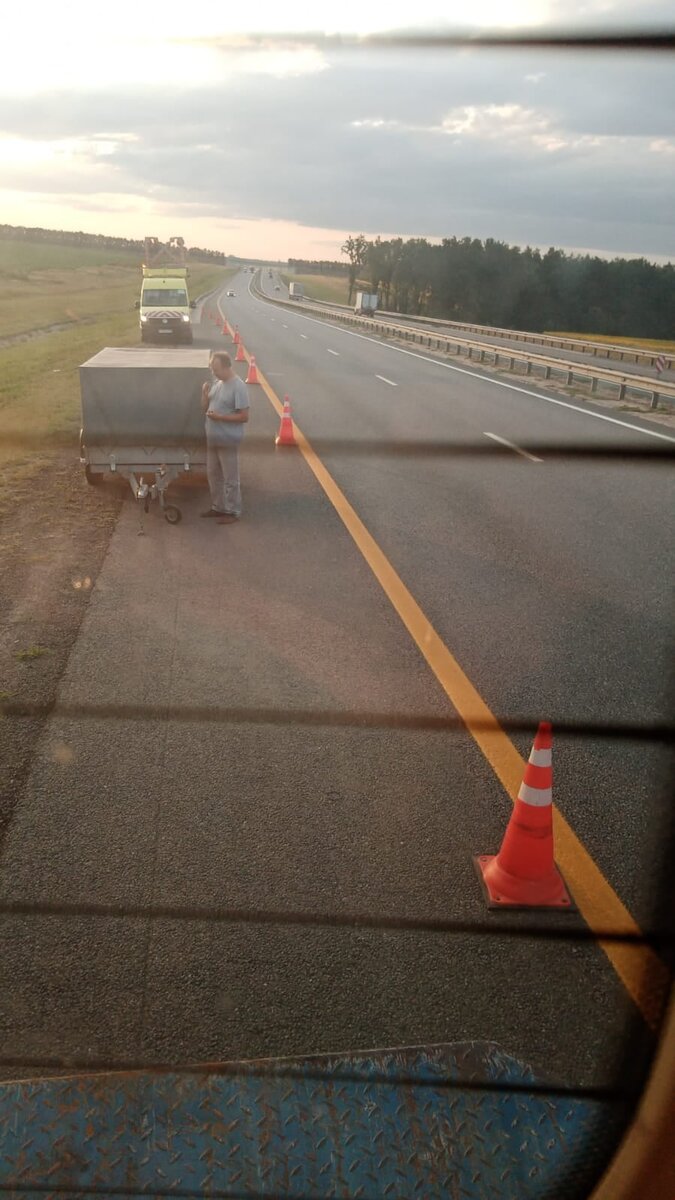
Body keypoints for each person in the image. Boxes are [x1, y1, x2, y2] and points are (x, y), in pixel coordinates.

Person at [200, 351, 249, 524]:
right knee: (213, 474)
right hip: (213, 438)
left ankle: (232, 511)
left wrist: (220, 417)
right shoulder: (217, 383)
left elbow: (244, 416)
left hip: (228, 439)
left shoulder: (238, 386)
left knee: (230, 477)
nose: (214, 373)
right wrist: (205, 394)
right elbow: (206, 408)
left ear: (227, 367)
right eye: (212, 369)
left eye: (217, 369)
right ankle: (218, 507)